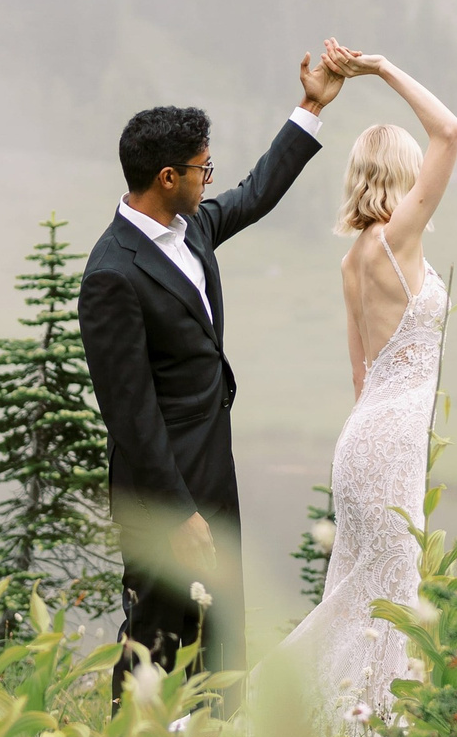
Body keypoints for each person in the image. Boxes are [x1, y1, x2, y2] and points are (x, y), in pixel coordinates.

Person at [80, 48, 347, 700]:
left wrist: (311, 106)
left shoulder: (191, 226)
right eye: (203, 169)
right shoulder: (111, 273)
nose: (210, 179)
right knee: (156, 637)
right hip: (162, 490)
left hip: (212, 468)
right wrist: (179, 514)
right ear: (167, 176)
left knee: (221, 633)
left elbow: (254, 194)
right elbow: (130, 414)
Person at [271, 46, 457, 728]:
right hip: (391, 444)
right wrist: (381, 69)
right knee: (389, 600)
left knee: (358, 602)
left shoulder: (353, 260)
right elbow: (451, 132)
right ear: (404, 178)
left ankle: (346, 729)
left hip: (362, 441)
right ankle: (348, 729)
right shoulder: (396, 238)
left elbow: (361, 377)